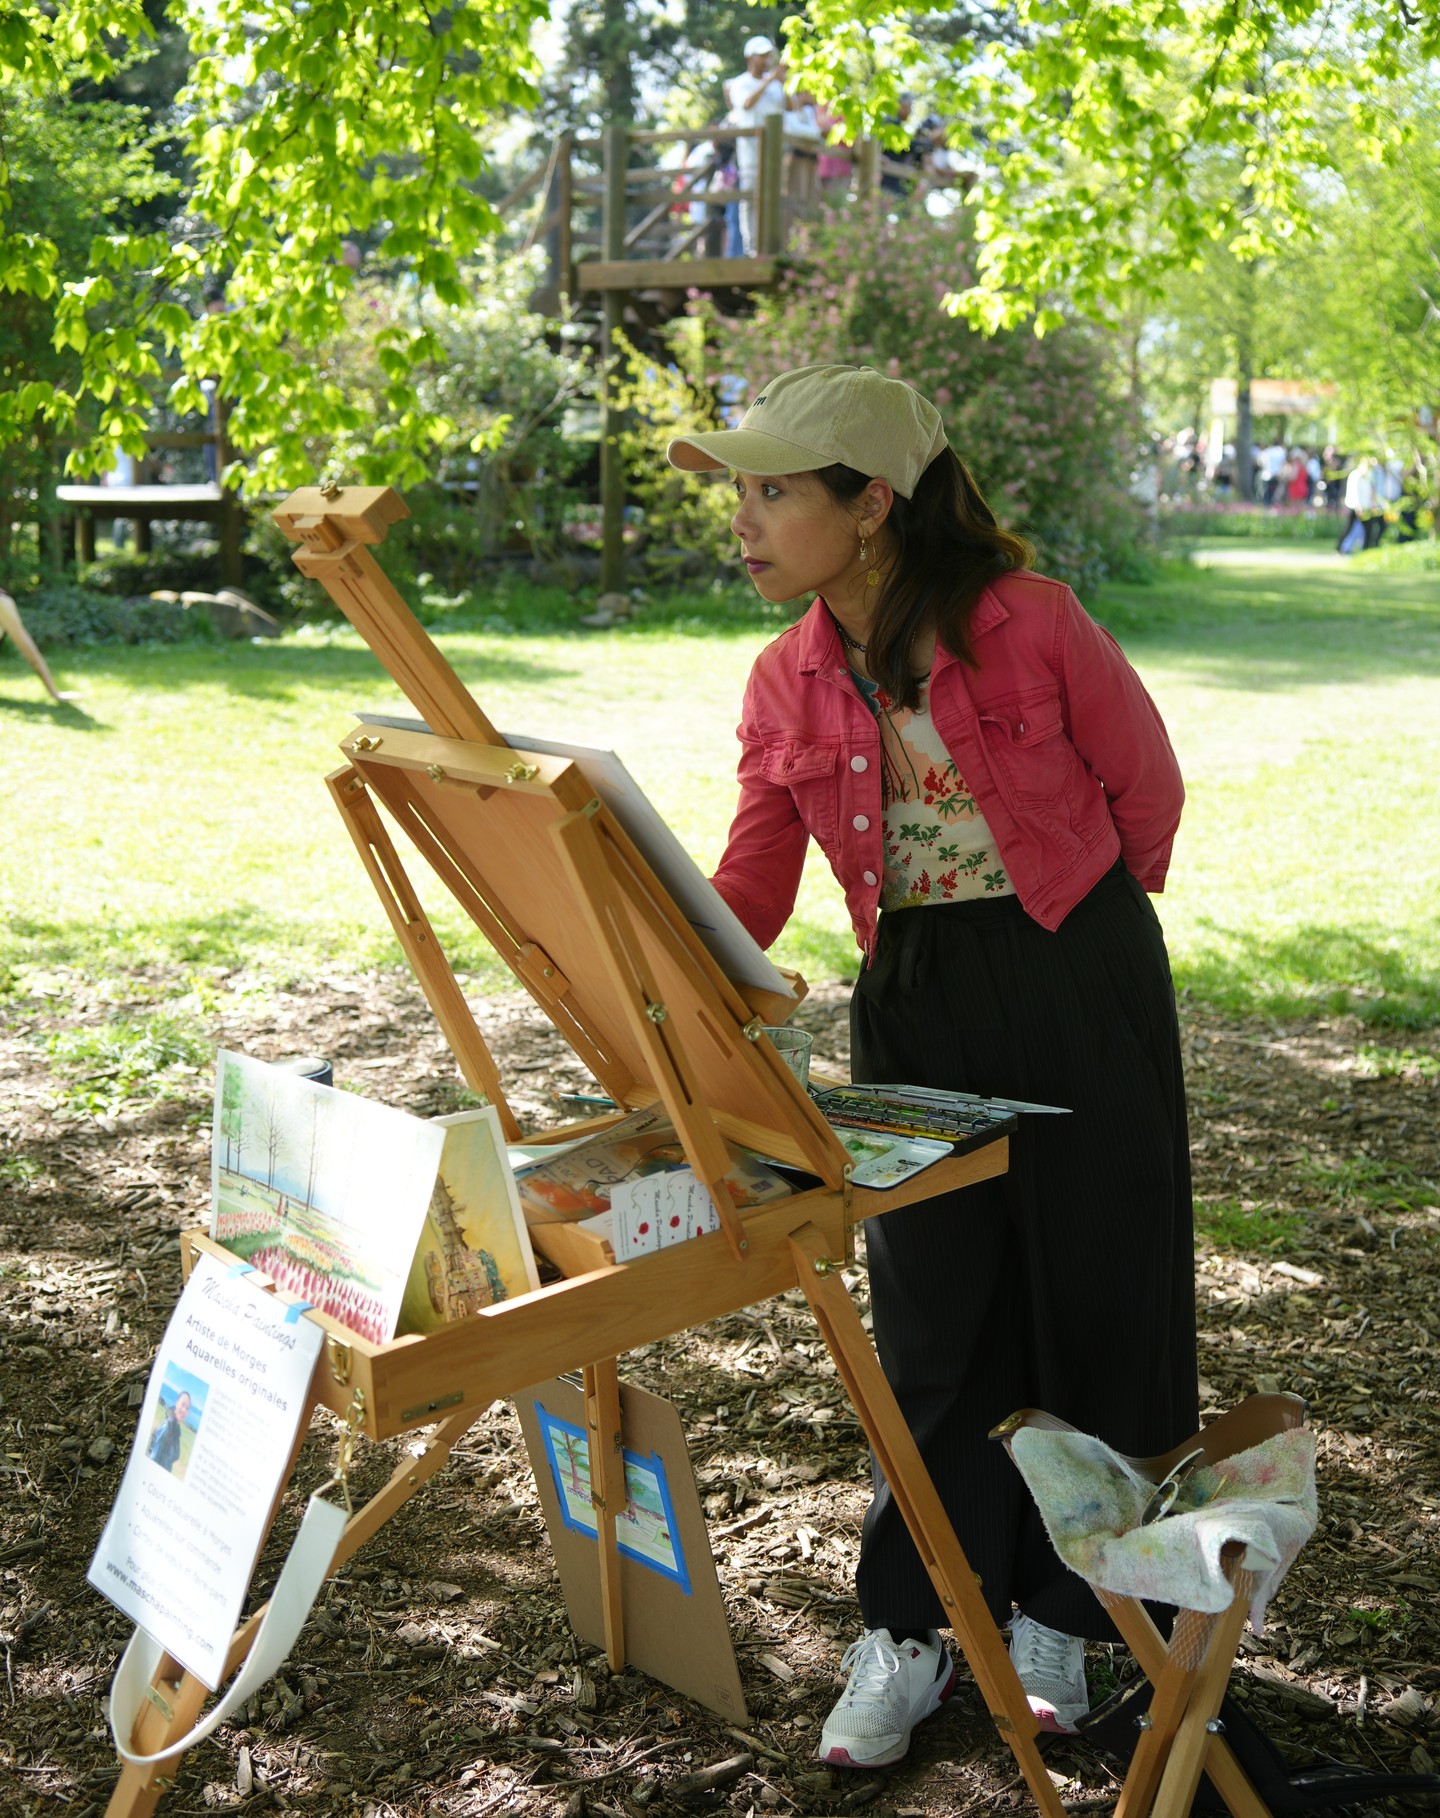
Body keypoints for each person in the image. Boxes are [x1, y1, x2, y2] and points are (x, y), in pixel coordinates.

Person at [667, 364, 1197, 1771]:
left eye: (776, 487)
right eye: (742, 487)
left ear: (873, 502)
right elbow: (754, 882)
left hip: (1079, 970)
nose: (746, 513)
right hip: (911, 994)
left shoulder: (1030, 622)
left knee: (1097, 1298)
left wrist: (1084, 946)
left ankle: (1067, 1616)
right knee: (934, 1320)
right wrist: (665, 959)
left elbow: (1147, 786)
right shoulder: (783, 674)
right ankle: (913, 1623)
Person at [726, 36, 791, 254]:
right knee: (751, 197)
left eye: (768, 56)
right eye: (762, 56)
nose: (766, 60)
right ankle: (751, 247)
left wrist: (784, 83)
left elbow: (790, 107)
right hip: (750, 152)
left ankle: (772, 246)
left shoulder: (775, 85)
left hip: (775, 151)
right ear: (749, 57)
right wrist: (770, 80)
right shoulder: (740, 83)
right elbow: (745, 104)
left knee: (774, 197)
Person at [148, 1390, 191, 1475]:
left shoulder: (176, 1431)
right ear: (177, 1402)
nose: (184, 1410)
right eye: (183, 1404)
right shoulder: (167, 1426)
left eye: (187, 1408)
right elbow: (153, 1457)